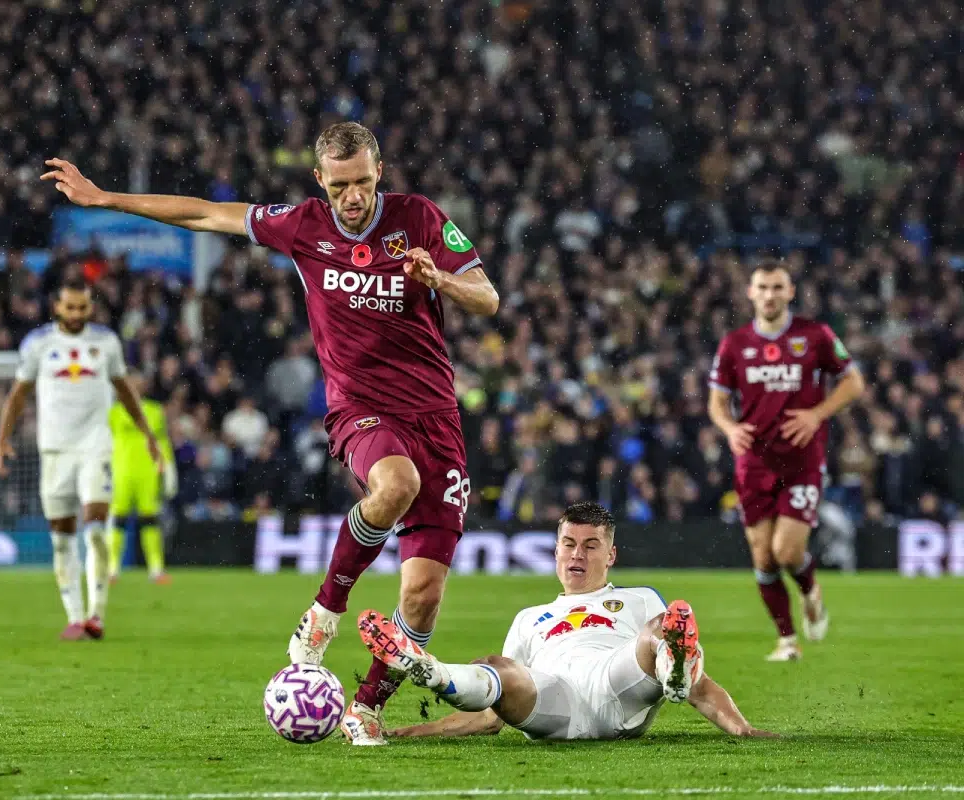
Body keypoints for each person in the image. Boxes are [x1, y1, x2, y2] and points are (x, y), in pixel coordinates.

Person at [42, 121, 499, 743]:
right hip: (362, 409)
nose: (354, 197)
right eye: (340, 186)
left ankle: (366, 708)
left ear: (379, 172)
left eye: (363, 181)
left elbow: (487, 298)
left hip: (437, 417)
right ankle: (324, 610)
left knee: (421, 597)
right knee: (395, 484)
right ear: (320, 181)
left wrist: (439, 279)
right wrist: (106, 199)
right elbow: (205, 214)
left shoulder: (419, 219)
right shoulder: (303, 226)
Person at [359, 502, 776, 741]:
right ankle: (431, 671)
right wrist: (413, 732)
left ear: (610, 556)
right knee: (498, 668)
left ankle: (673, 677)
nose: (578, 555)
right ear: (556, 551)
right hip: (553, 703)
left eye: (591, 546)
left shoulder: (638, 598)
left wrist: (744, 729)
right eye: (569, 544)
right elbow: (490, 717)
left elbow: (702, 685)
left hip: (617, 682)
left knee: (663, 628)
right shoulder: (527, 619)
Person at [708, 262, 865, 661]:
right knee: (762, 557)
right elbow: (717, 403)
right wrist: (729, 429)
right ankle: (787, 641)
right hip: (753, 463)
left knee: (788, 553)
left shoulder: (815, 335)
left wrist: (817, 414)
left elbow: (853, 382)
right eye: (762, 287)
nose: (770, 295)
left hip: (802, 462)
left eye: (777, 287)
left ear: (790, 291)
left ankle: (811, 589)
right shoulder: (734, 344)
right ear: (750, 292)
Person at [0, 278, 161, 641]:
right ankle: (74, 618)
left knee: (97, 528)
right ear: (57, 307)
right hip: (54, 450)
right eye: (69, 307)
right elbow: (19, 393)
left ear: (90, 307)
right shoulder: (39, 344)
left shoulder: (106, 342)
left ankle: (96, 616)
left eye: (82, 307)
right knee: (61, 540)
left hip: (95, 446)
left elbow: (125, 391)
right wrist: (2, 438)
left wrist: (148, 435)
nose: (76, 314)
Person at [108, 370, 178, 585]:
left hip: (148, 472)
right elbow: (105, 441)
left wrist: (168, 468)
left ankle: (156, 570)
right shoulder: (114, 412)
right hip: (121, 472)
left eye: (138, 382)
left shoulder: (155, 411)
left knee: (150, 520)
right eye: (131, 381)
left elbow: (162, 441)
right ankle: (112, 570)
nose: (135, 385)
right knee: (118, 521)